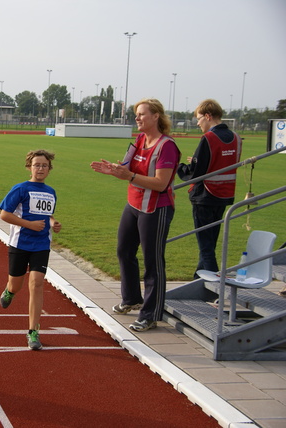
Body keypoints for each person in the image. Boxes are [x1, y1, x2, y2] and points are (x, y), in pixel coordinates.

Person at [90, 98, 180, 332]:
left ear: (156, 117)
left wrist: (128, 176)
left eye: (141, 114)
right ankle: (131, 298)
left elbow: (161, 184)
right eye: (137, 115)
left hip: (156, 208)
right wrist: (115, 170)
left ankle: (150, 314)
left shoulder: (166, 146)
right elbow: (128, 168)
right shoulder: (140, 139)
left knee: (153, 261)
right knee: (124, 250)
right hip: (134, 204)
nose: (137, 118)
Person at [0, 149, 62, 350]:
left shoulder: (51, 192)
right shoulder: (20, 189)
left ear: (49, 169)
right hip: (20, 243)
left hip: (41, 244)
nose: (40, 168)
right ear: (29, 167)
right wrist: (28, 224)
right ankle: (9, 291)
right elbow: (4, 214)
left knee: (36, 282)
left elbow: (47, 215)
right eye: (37, 165)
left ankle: (33, 332)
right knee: (16, 285)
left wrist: (53, 223)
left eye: (44, 165)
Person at [177, 99, 242, 278]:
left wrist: (179, 167)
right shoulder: (236, 137)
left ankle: (215, 288)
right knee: (209, 243)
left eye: (199, 118)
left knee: (206, 247)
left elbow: (196, 172)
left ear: (208, 116)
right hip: (225, 195)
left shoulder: (208, 138)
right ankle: (198, 280)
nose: (198, 123)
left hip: (205, 196)